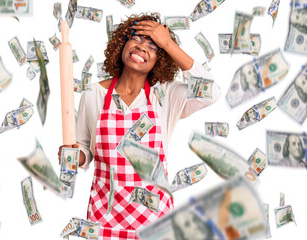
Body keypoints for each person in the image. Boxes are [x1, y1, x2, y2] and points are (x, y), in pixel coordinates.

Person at [58, 12, 220, 239]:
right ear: (122, 44)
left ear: (161, 59)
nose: (143, 47)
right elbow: (85, 147)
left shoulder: (165, 95)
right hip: (104, 217)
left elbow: (210, 93)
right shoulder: (94, 92)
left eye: (153, 46)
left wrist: (168, 42)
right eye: (137, 38)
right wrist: (76, 156)